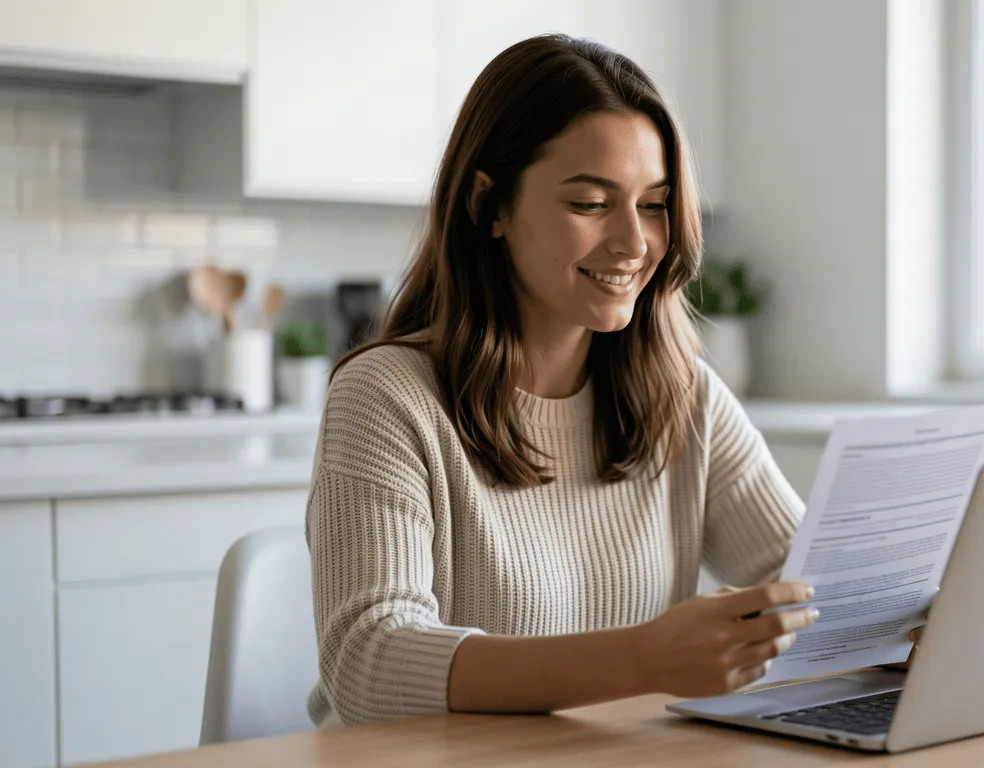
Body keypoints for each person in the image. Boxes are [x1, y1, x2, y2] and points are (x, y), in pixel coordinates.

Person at [304, 34, 820, 727]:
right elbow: (368, 663)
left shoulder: (683, 395)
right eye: (590, 204)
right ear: (489, 206)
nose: (635, 244)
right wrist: (643, 660)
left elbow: (809, 587)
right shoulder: (388, 396)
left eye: (654, 204)